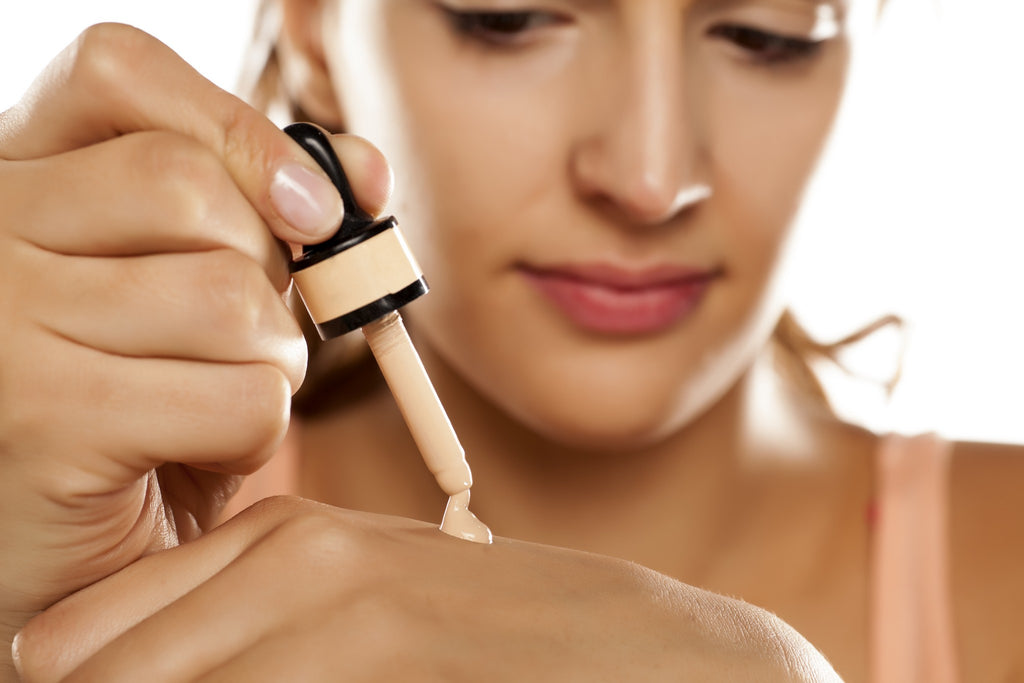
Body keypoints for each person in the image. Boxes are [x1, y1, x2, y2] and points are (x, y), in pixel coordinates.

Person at [1, 1, 1021, 681]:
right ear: (315, 33)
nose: (649, 178)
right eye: (511, 16)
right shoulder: (109, 533)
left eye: (767, 31)